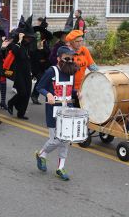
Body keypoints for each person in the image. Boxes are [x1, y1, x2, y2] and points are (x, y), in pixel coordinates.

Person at [35, 46, 80, 181]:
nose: (70, 61)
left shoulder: (71, 72)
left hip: (68, 110)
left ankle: (60, 167)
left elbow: (69, 90)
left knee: (65, 140)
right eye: (67, 58)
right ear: (59, 58)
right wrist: (48, 94)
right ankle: (41, 154)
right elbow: (39, 87)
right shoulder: (51, 71)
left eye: (72, 58)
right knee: (55, 139)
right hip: (53, 111)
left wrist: (76, 93)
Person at [7, 16, 35, 120]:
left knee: (27, 93)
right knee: (22, 92)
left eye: (30, 37)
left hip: (27, 72)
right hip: (18, 72)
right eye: (27, 37)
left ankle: (21, 113)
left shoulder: (29, 45)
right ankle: (11, 102)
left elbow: (31, 58)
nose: (29, 39)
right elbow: (16, 52)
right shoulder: (16, 44)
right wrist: (19, 40)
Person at [65, 30, 98, 107]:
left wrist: (102, 75)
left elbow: (92, 66)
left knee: (82, 110)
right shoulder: (66, 52)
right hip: (69, 88)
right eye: (77, 41)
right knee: (71, 113)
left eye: (81, 40)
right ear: (71, 42)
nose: (80, 43)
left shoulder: (84, 50)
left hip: (82, 87)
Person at [31, 17, 52, 105]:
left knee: (43, 80)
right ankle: (34, 95)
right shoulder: (38, 41)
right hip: (36, 64)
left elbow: (48, 52)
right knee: (40, 79)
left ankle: (35, 95)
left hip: (44, 65)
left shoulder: (45, 41)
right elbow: (37, 53)